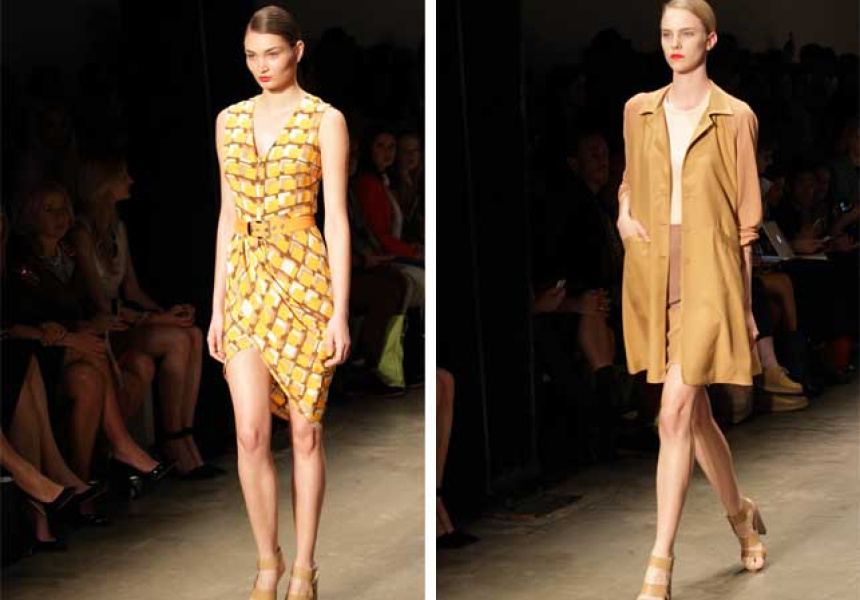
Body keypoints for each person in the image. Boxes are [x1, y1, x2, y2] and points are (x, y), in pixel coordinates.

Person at [617, 3, 767, 597]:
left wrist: (746, 307)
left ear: (711, 39)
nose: (674, 44)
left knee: (674, 412)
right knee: (697, 417)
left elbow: (747, 223)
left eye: (686, 33)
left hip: (711, 276)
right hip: (654, 272)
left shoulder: (735, 116)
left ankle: (660, 562)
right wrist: (623, 213)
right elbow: (629, 180)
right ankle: (741, 516)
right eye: (665, 34)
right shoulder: (638, 109)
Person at [206, 7, 351, 600]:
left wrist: (340, 311)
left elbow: (336, 218)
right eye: (251, 55)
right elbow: (227, 216)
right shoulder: (229, 120)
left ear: (297, 50)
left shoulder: (325, 119)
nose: (261, 66)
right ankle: (268, 562)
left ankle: (305, 568)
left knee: (306, 434)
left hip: (304, 283)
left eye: (271, 53)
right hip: (244, 281)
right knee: (249, 434)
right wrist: (216, 307)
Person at [71, 156, 216, 479]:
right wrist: (160, 321)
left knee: (191, 333)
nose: (131, 181)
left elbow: (132, 290)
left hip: (125, 320)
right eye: (122, 175)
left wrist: (165, 313)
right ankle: (173, 440)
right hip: (105, 327)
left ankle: (184, 435)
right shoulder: (81, 233)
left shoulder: (117, 227)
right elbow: (101, 306)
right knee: (179, 338)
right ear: (102, 185)